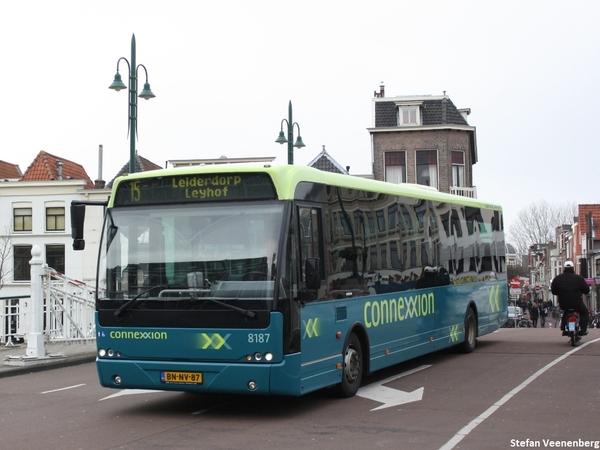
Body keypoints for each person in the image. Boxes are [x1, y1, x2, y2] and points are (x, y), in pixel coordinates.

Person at [550, 260, 590, 336]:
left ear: (564, 268)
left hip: (563, 303)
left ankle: (564, 328)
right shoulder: (579, 278)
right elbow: (586, 290)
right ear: (573, 268)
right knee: (584, 313)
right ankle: (583, 329)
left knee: (566, 312)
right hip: (577, 303)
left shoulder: (557, 279)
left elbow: (554, 292)